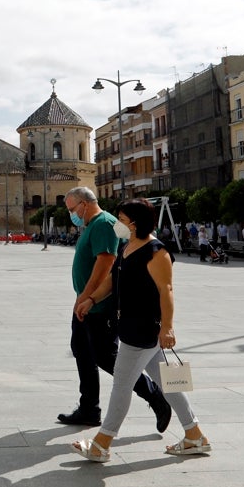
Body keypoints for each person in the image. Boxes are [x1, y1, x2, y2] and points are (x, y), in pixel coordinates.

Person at [71, 198, 211, 462]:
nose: (118, 224)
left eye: (122, 220)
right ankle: (194, 435)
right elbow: (112, 280)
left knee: (122, 385)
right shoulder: (128, 246)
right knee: (166, 384)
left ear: (134, 224)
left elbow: (166, 291)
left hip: (144, 330)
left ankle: (102, 443)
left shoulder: (157, 253)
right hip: (130, 327)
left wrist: (167, 327)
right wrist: (90, 300)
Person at [58, 187, 172, 432]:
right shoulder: (92, 225)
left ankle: (155, 397)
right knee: (81, 351)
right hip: (87, 303)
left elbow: (106, 262)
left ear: (84, 204)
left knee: (106, 358)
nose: (71, 214)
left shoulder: (102, 224)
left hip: (100, 306)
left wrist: (88, 297)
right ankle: (89, 408)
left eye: (72, 209)